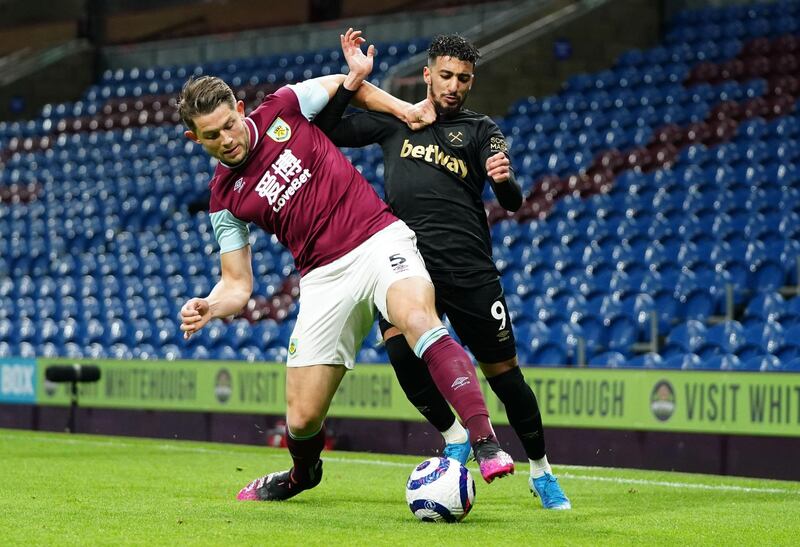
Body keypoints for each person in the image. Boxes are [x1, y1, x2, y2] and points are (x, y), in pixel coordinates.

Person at [176, 29, 515, 502]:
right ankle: (301, 475)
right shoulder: (223, 199)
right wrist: (211, 306)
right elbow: (237, 284)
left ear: (238, 107)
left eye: (229, 123)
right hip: (321, 278)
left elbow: (345, 83)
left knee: (419, 318)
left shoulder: (283, 106)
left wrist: (403, 108)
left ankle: (485, 441)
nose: (227, 139)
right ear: (196, 138)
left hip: (378, 238)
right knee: (302, 418)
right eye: (211, 136)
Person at [315, 34, 571, 509]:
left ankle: (542, 470)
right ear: (428, 74)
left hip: (469, 269)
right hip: (406, 267)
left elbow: (512, 201)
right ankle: (455, 435)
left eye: (464, 79)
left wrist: (504, 180)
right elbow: (328, 128)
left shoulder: (480, 130)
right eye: (446, 75)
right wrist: (353, 81)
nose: (454, 86)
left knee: (506, 377)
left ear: (472, 81)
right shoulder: (397, 121)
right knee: (403, 358)